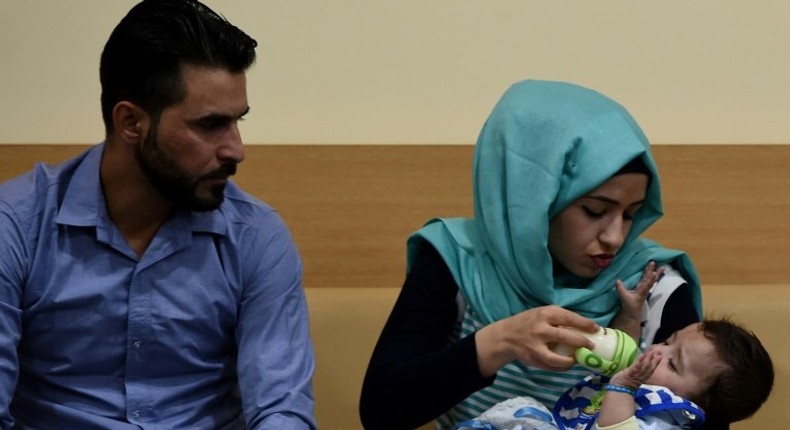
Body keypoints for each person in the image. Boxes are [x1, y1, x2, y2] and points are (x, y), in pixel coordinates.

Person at [0, 1, 315, 429]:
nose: (236, 149)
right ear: (131, 122)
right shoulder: (16, 226)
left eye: (238, 121)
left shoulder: (255, 235)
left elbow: (281, 407)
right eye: (209, 125)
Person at [359, 79, 711, 430]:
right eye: (593, 210)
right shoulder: (458, 261)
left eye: (631, 213)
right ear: (534, 200)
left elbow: (707, 415)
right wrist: (501, 341)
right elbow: (381, 411)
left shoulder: (651, 286)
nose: (616, 237)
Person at [456, 317, 774, 429]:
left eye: (674, 363)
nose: (656, 352)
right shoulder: (646, 384)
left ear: (694, 405)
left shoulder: (662, 422)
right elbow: (622, 352)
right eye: (667, 341)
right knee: (521, 408)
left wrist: (621, 390)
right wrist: (633, 313)